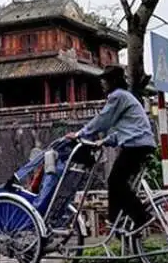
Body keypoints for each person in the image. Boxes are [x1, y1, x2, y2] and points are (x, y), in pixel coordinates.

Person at [65, 65, 157, 232]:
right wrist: (105, 141)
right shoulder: (127, 97)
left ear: (113, 81)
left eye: (105, 80)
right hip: (141, 143)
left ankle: (141, 217)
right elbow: (125, 129)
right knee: (117, 183)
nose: (102, 83)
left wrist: (80, 134)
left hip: (136, 145)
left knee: (116, 181)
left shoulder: (117, 96)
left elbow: (103, 119)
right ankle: (116, 221)